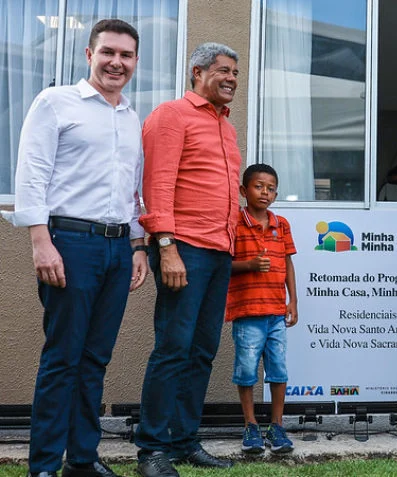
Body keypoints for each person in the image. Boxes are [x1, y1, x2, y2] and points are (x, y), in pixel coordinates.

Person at [4, 18, 145, 477]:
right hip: (70, 244)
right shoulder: (55, 102)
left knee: (95, 359)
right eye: (108, 52)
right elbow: (31, 173)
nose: (116, 62)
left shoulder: (131, 117)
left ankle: (82, 459)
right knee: (63, 357)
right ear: (89, 55)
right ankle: (44, 465)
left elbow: (132, 190)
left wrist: (138, 246)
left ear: (135, 61)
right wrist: (40, 241)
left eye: (126, 55)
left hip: (117, 249)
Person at [135, 42, 242, 477]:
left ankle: (184, 441)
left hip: (219, 252)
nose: (232, 78)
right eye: (223, 70)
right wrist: (166, 247)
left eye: (235, 72)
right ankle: (152, 449)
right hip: (184, 249)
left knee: (202, 351)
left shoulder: (226, 127)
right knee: (173, 349)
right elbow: (157, 185)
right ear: (197, 72)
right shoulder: (171, 115)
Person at [226, 164, 298, 454]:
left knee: (278, 370)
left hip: (276, 313)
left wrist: (293, 301)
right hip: (247, 314)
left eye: (270, 188)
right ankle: (250, 425)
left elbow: (288, 263)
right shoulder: (234, 222)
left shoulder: (282, 224)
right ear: (244, 190)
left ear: (276, 194)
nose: (265, 192)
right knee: (246, 370)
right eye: (258, 186)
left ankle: (277, 426)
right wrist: (249, 265)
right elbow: (222, 264)